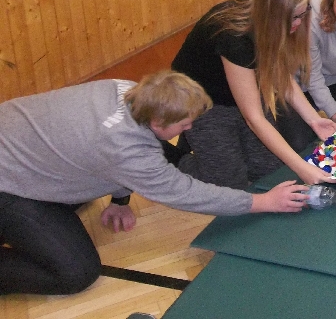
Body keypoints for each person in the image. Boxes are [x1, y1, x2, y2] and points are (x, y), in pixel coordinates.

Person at [0, 72, 311, 297]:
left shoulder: (128, 91)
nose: (189, 128)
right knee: (76, 272)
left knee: (81, 196)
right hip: (9, 184)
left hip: (21, 147)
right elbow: (184, 192)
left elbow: (104, 156)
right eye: (185, 123)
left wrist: (120, 199)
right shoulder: (123, 146)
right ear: (158, 122)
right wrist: (263, 202)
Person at [171, 0, 336, 189]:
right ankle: (176, 157)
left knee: (270, 170)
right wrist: (301, 167)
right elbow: (254, 119)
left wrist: (314, 119)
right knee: (230, 183)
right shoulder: (235, 38)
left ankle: (209, 146)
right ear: (272, 15)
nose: (298, 23)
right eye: (292, 18)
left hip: (243, 87)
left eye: (301, 14)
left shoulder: (278, 22)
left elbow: (281, 74)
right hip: (203, 100)